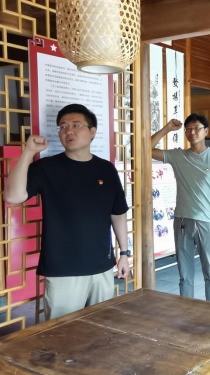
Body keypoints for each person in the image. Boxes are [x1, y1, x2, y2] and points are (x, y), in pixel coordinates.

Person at [4, 104, 130, 321]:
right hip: (63, 270)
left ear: (92, 131)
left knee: (103, 328)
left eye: (75, 125)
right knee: (63, 333)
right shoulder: (46, 168)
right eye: (62, 127)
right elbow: (12, 196)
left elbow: (117, 213)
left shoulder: (106, 169)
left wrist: (125, 254)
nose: (68, 131)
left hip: (102, 266)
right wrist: (28, 152)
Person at [151, 114, 210, 303]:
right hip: (182, 220)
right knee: (184, 275)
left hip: (208, 221)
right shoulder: (178, 155)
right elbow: (145, 149)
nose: (192, 132)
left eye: (196, 128)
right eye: (188, 129)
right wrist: (167, 129)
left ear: (206, 131)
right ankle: (187, 312)